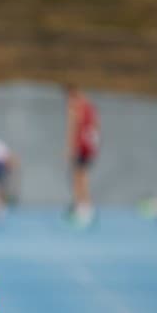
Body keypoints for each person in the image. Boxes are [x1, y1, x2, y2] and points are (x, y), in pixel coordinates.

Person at [64, 84, 99, 226]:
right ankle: (85, 207)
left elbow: (74, 127)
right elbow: (96, 127)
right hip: (89, 146)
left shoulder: (75, 107)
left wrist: (70, 148)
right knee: (82, 176)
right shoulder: (90, 107)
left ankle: (82, 207)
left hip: (81, 146)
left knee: (78, 176)